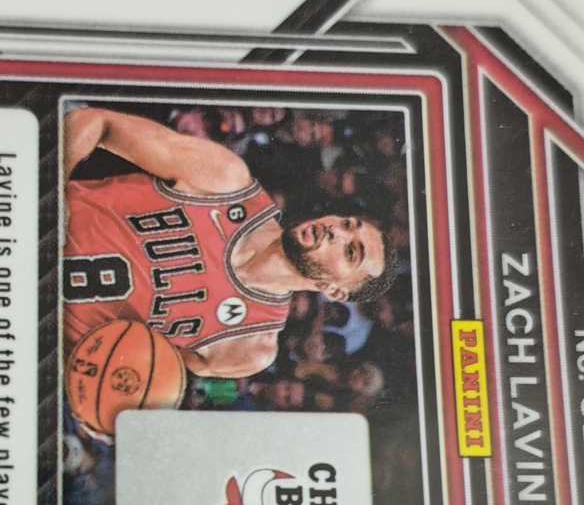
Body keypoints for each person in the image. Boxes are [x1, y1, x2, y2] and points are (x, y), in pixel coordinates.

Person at [62, 106, 401, 380]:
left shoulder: (249, 349)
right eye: (347, 223)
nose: (336, 231)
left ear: (335, 291)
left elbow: (118, 376)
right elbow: (94, 123)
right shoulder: (226, 184)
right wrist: (46, 197)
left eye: (350, 251)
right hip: (35, 225)